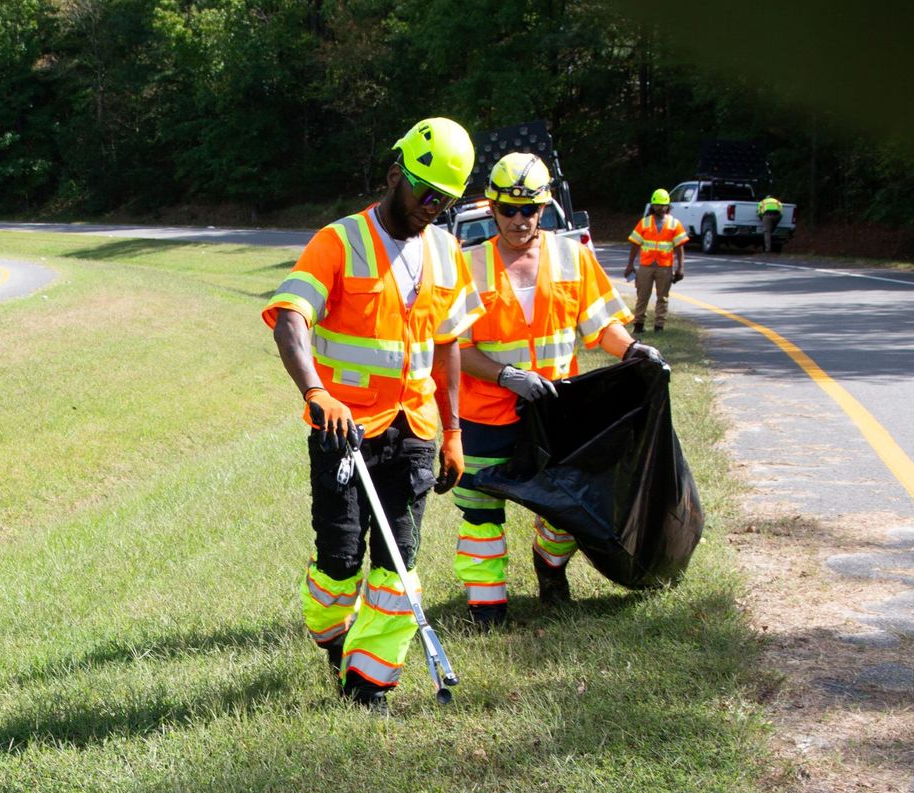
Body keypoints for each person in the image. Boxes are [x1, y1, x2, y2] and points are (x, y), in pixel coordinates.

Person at [263, 117, 483, 710]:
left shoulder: (444, 249)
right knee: (339, 563)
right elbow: (290, 318)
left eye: (447, 200)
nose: (433, 208)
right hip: (345, 432)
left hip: (414, 431)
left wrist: (455, 431)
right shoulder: (339, 242)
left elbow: (448, 342)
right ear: (395, 176)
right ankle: (335, 638)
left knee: (398, 563)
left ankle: (369, 687)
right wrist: (317, 393)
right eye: (426, 193)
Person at [451, 153, 665, 628]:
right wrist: (507, 376)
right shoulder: (466, 265)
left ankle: (550, 573)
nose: (519, 220)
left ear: (544, 207)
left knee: (567, 507)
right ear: (491, 206)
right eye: (508, 209)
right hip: (486, 416)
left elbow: (600, 324)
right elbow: (452, 347)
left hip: (555, 412)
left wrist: (631, 351)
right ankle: (487, 609)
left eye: (529, 210)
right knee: (482, 518)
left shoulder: (572, 256)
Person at [623, 188, 688, 333]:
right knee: (642, 296)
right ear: (652, 206)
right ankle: (638, 325)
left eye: (662, 205)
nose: (659, 208)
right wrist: (630, 265)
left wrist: (680, 267)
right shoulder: (644, 223)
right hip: (646, 266)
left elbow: (679, 247)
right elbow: (635, 244)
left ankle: (659, 326)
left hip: (665, 267)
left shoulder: (674, 224)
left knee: (662, 297)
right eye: (656, 205)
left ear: (668, 206)